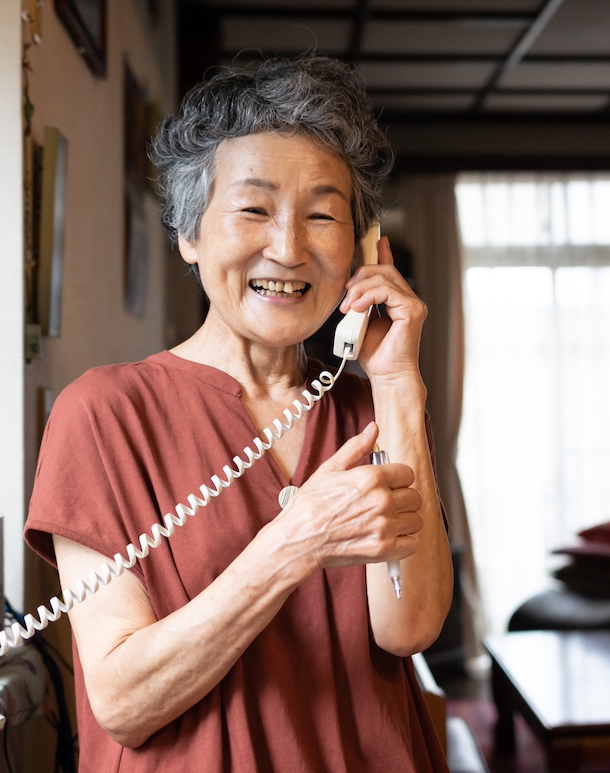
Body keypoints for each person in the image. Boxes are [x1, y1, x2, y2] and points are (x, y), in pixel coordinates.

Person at [24, 54, 453, 772]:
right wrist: (294, 543)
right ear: (190, 235)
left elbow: (408, 628)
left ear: (361, 246)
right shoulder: (103, 413)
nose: (288, 247)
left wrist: (401, 382)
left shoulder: (370, 403)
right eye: (254, 208)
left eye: (323, 215)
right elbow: (125, 702)